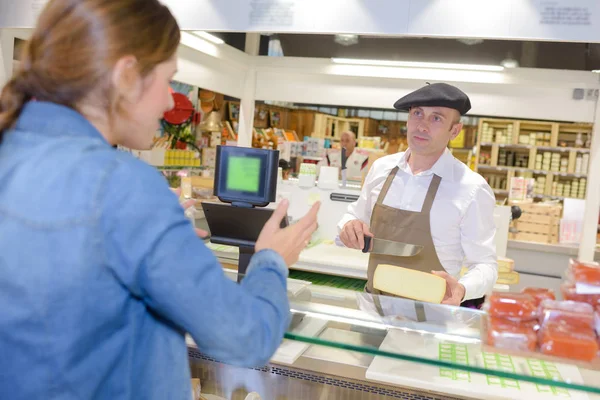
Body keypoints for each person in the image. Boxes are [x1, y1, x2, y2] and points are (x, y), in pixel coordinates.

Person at [0, 1, 320, 399]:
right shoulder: (122, 186)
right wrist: (272, 260)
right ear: (126, 75)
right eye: (167, 80)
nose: (171, 103)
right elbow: (244, 336)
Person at [338, 83, 497, 307]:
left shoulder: (471, 188)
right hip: (372, 310)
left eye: (436, 118)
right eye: (417, 113)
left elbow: (485, 265)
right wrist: (349, 226)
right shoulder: (381, 169)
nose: (422, 125)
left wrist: (462, 289)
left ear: (455, 131)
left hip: (430, 322)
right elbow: (353, 216)